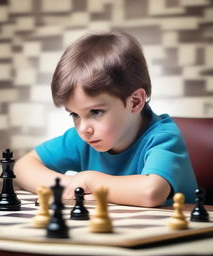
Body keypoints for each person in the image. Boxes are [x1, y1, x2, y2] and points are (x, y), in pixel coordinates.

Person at [14, 31, 197, 207]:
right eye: (75, 115)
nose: (83, 128)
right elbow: (22, 167)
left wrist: (89, 180)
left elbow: (151, 192)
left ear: (135, 102)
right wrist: (72, 186)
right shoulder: (83, 139)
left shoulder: (163, 137)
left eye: (95, 112)